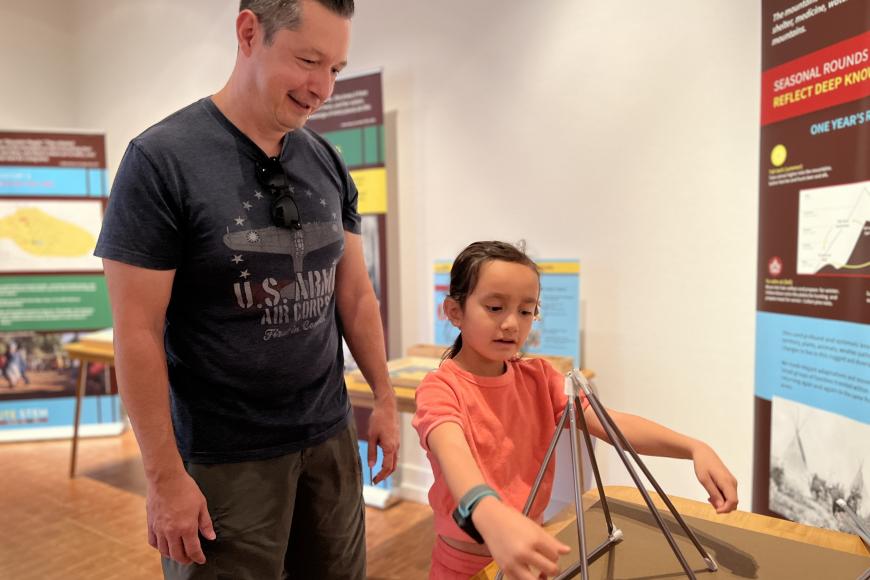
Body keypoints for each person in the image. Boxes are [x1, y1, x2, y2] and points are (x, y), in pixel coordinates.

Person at [95, 1, 399, 578]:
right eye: (308, 60)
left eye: (335, 68)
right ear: (248, 32)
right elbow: (136, 333)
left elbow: (355, 294)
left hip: (328, 437)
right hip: (223, 459)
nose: (323, 88)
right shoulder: (160, 161)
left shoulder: (326, 159)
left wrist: (381, 398)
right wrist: (163, 479)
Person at [412, 241, 738, 580]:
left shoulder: (539, 378)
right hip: (465, 566)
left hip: (531, 554)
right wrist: (486, 509)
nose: (512, 324)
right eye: (495, 307)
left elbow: (612, 425)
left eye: (526, 311)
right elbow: (453, 453)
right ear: (454, 311)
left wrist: (693, 447)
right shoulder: (441, 388)